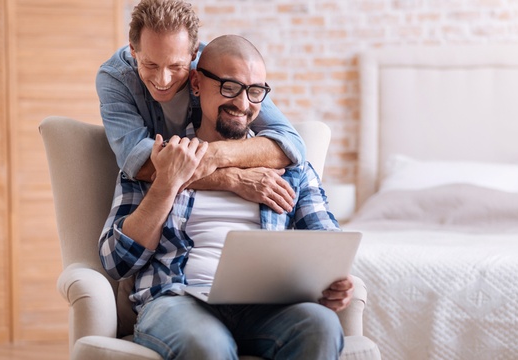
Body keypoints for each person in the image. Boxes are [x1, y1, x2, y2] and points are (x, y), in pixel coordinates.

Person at [99, 34, 354, 360]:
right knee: (207, 345)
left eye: (255, 91)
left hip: (268, 307)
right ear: (196, 84)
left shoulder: (289, 167)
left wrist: (335, 280)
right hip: (178, 300)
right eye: (230, 87)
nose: (243, 104)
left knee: (321, 325)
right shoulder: (157, 159)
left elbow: (327, 241)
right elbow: (116, 261)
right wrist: (168, 182)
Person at [96, 0, 304, 213]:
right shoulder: (115, 78)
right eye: (150, 65)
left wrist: (214, 155)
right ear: (133, 50)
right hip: (156, 201)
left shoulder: (216, 68)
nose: (163, 80)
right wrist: (232, 178)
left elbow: (290, 145)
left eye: (176, 66)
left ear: (194, 54)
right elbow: (138, 162)